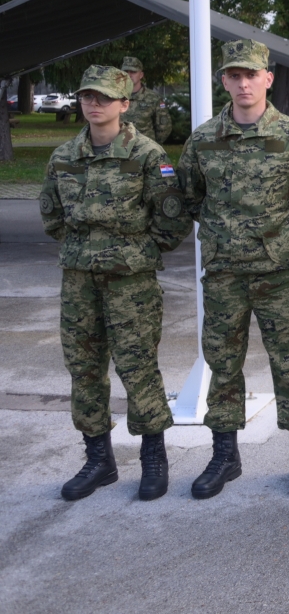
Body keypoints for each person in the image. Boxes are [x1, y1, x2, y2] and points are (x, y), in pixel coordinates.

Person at [178, 39, 289, 499]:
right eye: (234, 75)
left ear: (268, 78)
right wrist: (220, 232)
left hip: (279, 275)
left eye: (252, 74)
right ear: (225, 81)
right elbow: (190, 196)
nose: (243, 82)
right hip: (225, 275)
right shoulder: (204, 140)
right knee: (223, 365)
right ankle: (225, 456)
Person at [40, 65, 189, 501]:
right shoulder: (64, 156)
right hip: (79, 281)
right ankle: (98, 460)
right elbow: (52, 216)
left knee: (137, 367)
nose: (94, 103)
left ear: (124, 104)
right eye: (88, 95)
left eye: (104, 97)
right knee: (83, 369)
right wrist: (87, 250)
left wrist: (129, 253)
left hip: (130, 283)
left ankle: (153, 459)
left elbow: (171, 223)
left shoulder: (147, 155)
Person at [119, 57, 173, 144]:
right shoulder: (114, 96)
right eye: (126, 72)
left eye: (133, 72)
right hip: (118, 149)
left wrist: (152, 144)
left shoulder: (153, 98)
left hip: (144, 151)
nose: (129, 75)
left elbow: (164, 127)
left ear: (141, 75)